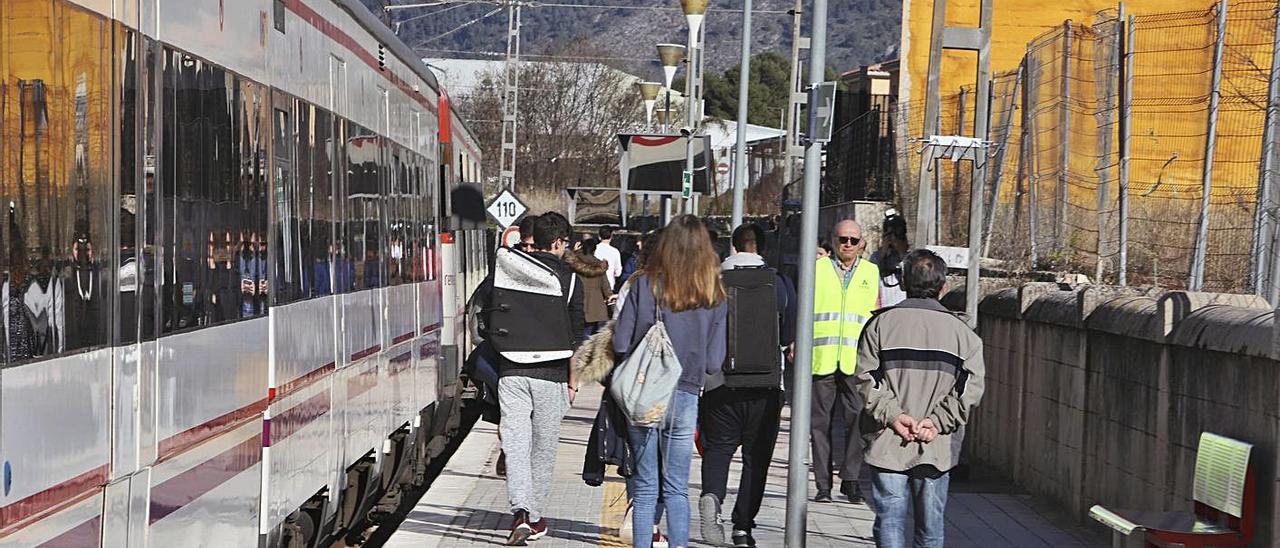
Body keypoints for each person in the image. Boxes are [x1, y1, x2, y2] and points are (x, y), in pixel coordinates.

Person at [855, 249, 985, 548]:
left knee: (889, 520)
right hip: (936, 445)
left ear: (902, 282)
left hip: (888, 439)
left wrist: (894, 416)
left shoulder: (879, 325)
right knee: (931, 529)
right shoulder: (963, 334)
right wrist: (936, 422)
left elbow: (866, 378)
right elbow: (971, 388)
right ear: (943, 286)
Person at [613, 215, 727, 548]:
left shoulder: (644, 285)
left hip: (645, 393)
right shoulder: (713, 293)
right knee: (677, 488)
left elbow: (621, 344)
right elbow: (713, 363)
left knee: (646, 485)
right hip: (687, 394)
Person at [478, 212, 585, 546]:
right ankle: (535, 517)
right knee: (543, 448)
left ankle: (520, 512)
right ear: (556, 242)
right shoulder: (570, 279)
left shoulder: (506, 268)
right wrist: (573, 381)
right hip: (552, 376)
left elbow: (483, 313)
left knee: (516, 444)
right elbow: (576, 335)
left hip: (511, 372)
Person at [698, 223, 797, 548]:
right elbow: (788, 338)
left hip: (719, 385)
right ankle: (743, 527)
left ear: (733, 247)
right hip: (765, 387)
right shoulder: (780, 284)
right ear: (762, 249)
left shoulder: (713, 282)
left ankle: (712, 496)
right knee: (756, 459)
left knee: (719, 449)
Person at [809, 219, 880, 504]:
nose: (848, 245)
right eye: (842, 240)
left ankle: (850, 480)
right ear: (833, 240)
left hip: (856, 361)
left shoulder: (871, 272)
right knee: (819, 425)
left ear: (862, 242)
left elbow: (876, 315)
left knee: (858, 423)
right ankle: (823, 485)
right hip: (822, 358)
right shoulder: (817, 268)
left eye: (853, 240)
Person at [568, 238, 614, 341]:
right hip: (596, 306)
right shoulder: (599, 266)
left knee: (579, 334)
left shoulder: (573, 263)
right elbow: (605, 286)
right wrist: (610, 298)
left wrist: (574, 251)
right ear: (594, 250)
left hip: (576, 303)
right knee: (592, 336)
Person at [870, 209, 910, 307]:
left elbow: (909, 283)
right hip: (883, 306)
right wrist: (883, 252)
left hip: (903, 306)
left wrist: (901, 253)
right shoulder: (876, 257)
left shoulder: (910, 259)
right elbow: (870, 279)